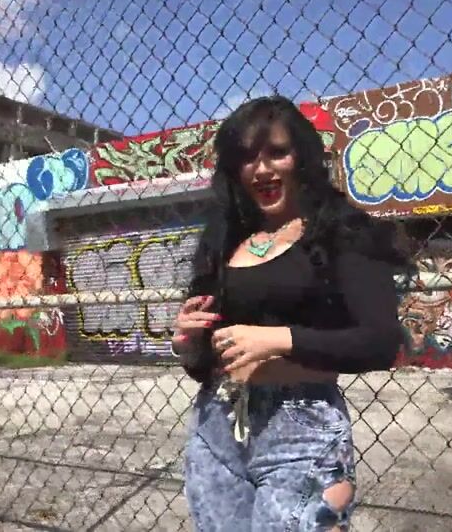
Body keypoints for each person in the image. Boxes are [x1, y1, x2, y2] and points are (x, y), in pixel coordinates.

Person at [171, 95, 409, 531]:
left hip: (301, 427)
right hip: (217, 424)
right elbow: (203, 365)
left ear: (302, 157)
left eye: (277, 152)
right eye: (248, 157)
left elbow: (380, 342)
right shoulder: (226, 241)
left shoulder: (342, 232)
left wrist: (277, 339)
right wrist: (187, 342)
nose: (261, 169)